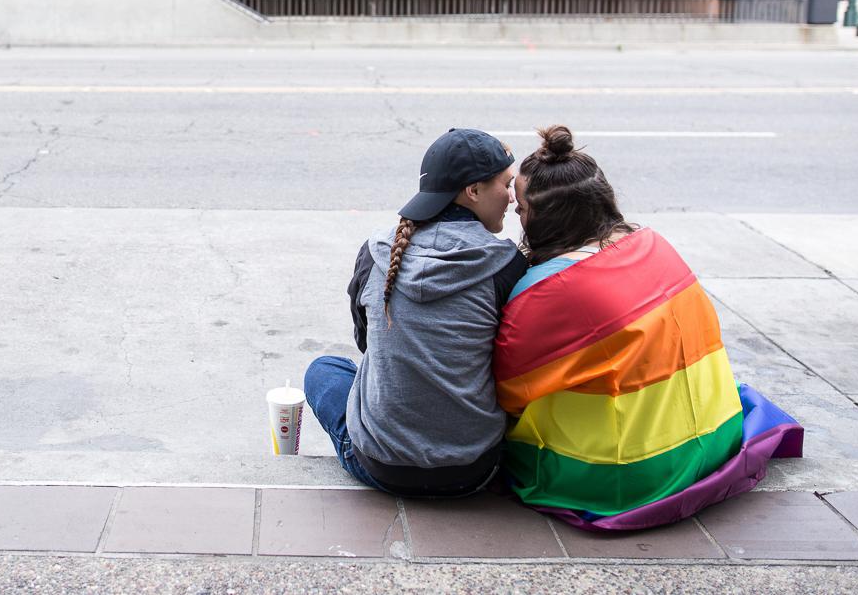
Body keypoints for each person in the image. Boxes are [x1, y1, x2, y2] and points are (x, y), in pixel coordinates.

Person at [493, 125, 803, 532]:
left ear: (547, 216)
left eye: (523, 207)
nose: (516, 210)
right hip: (714, 434)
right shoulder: (652, 241)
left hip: (625, 475)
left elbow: (506, 393)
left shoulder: (545, 290)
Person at [304, 128, 528, 497]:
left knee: (324, 370)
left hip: (380, 467)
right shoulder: (505, 265)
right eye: (505, 185)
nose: (512, 197)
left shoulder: (377, 251)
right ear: (472, 191)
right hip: (475, 470)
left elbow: (366, 344)